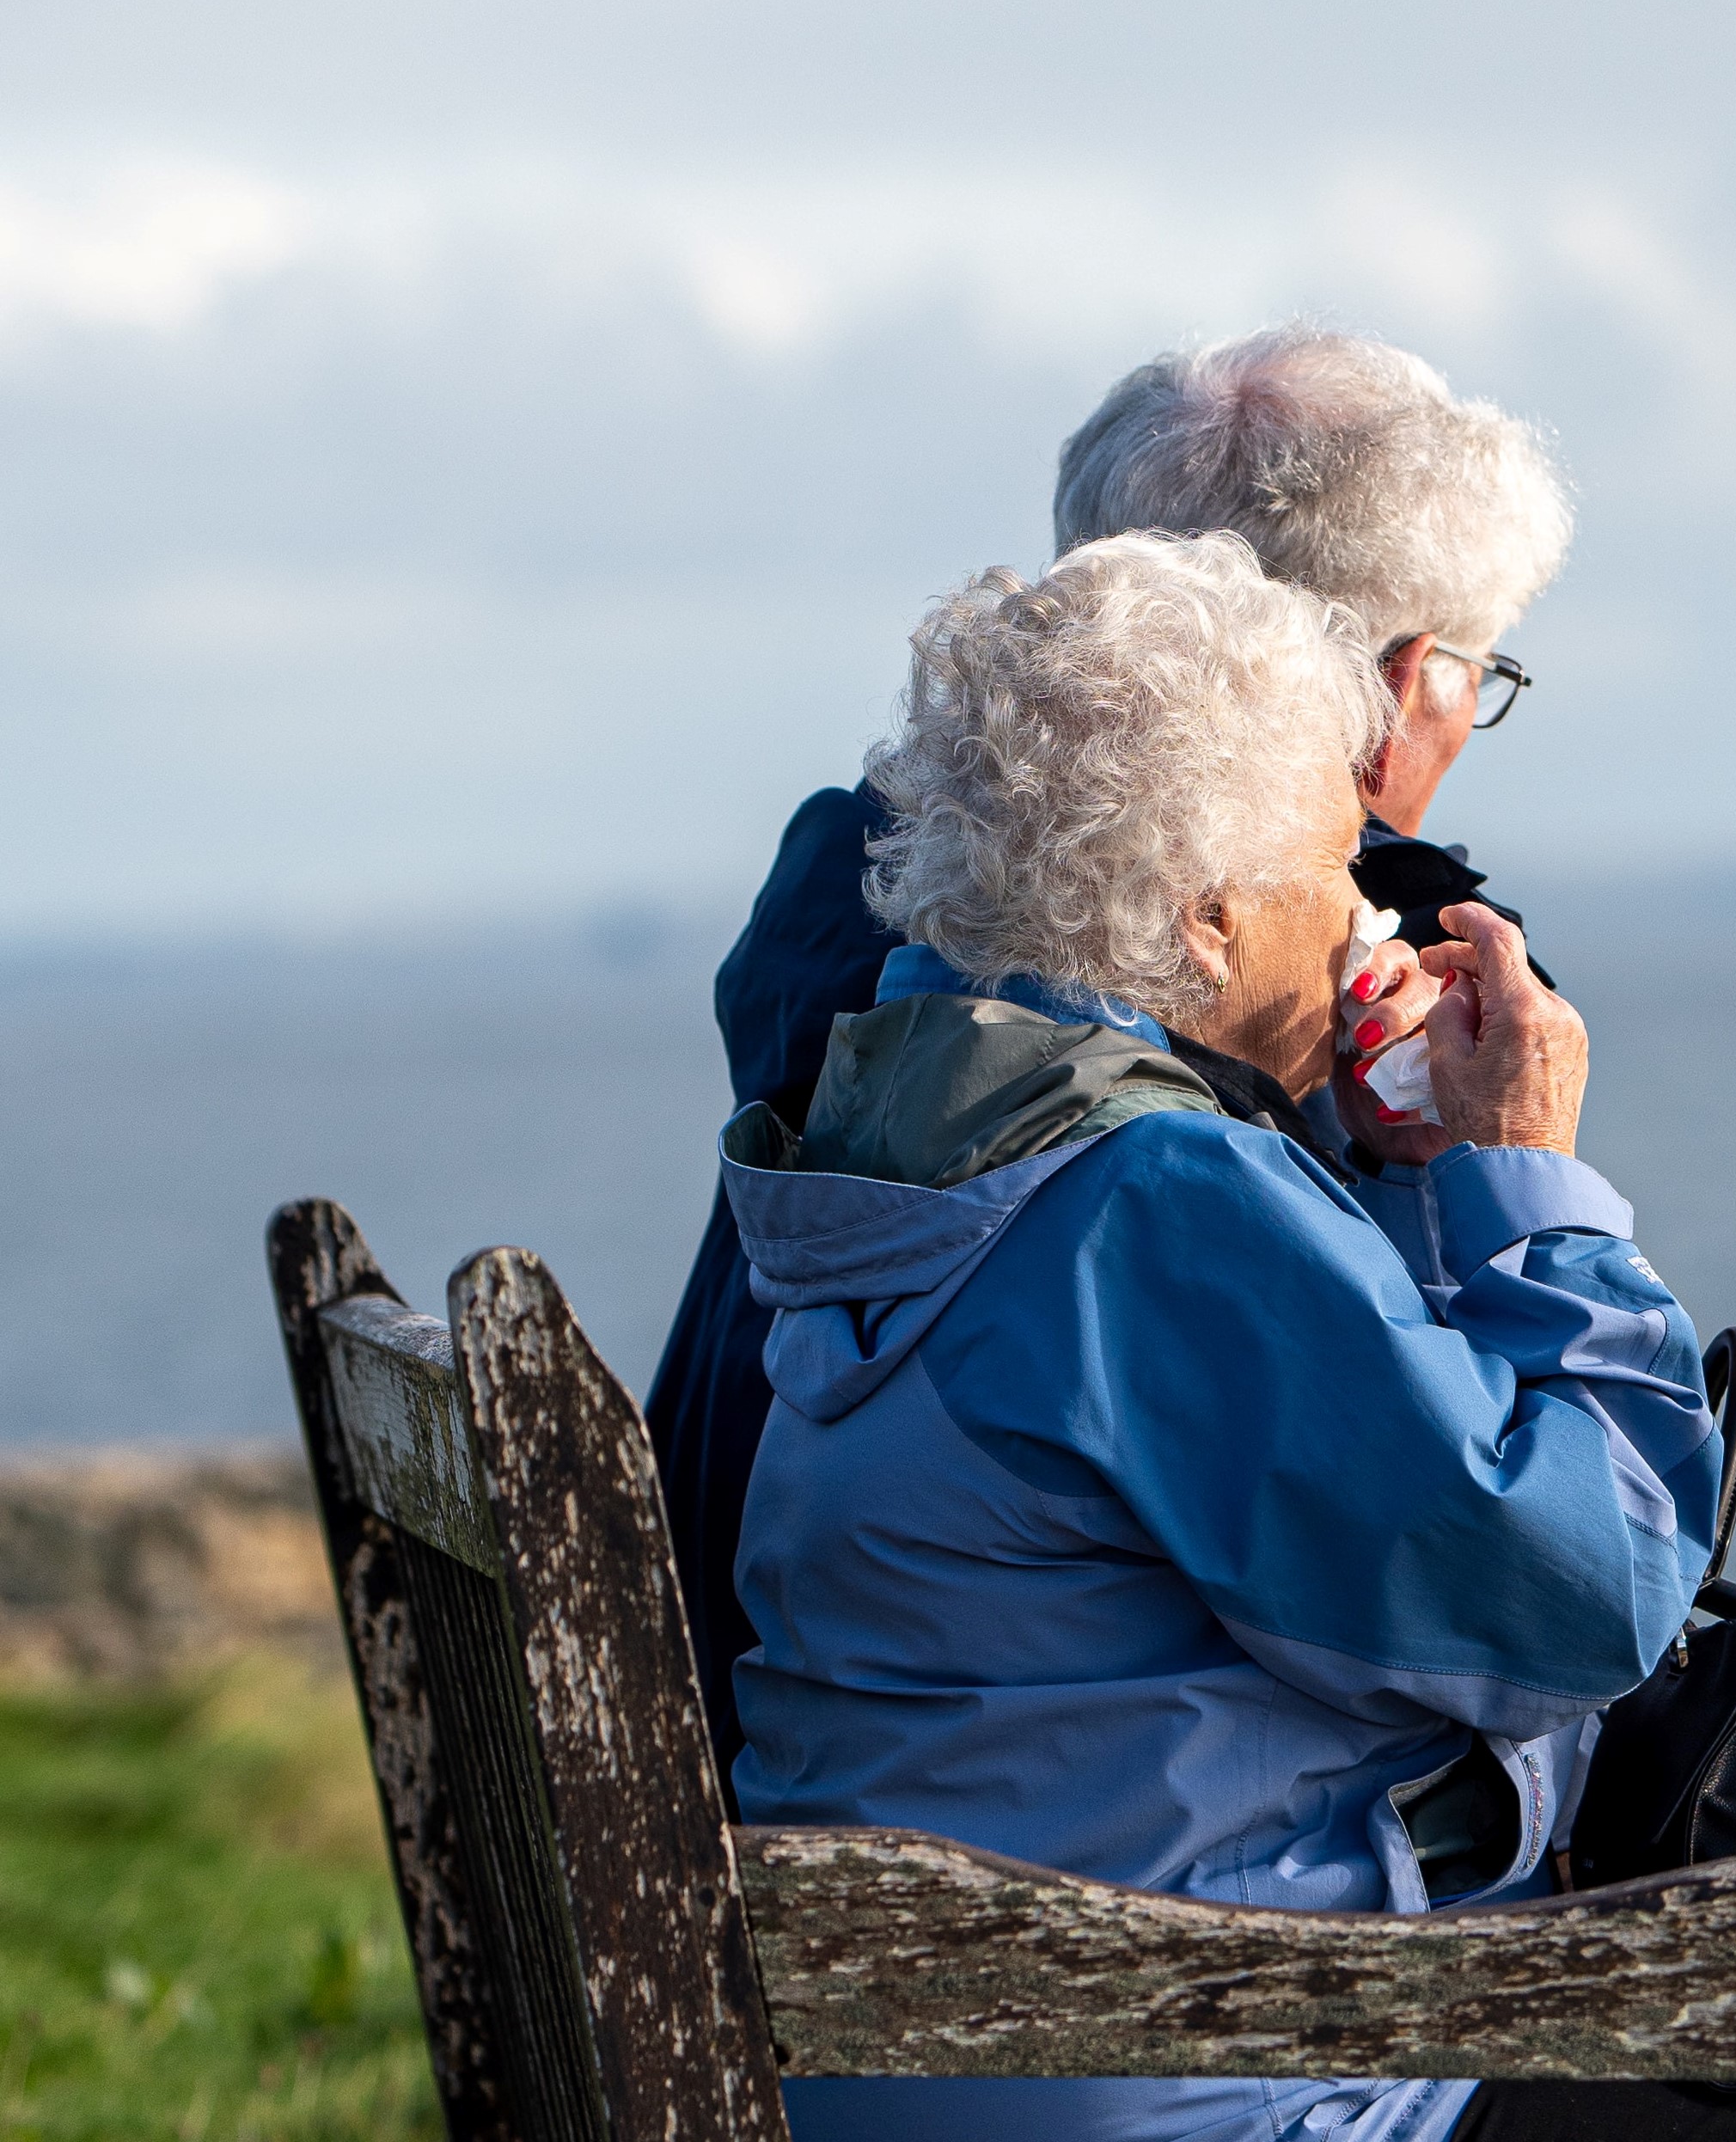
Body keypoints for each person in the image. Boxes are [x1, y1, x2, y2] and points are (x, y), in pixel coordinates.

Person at [721, 531, 1736, 2142]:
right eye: (1326, 865)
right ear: (1207, 918)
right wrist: (1524, 1175)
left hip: (912, 2115)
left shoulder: (922, 1128)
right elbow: (1575, 1602)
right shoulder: (1151, 1203)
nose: (1361, 917)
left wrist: (1368, 1177)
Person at [648, 325, 1568, 1791]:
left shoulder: (877, 927)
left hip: (748, 1738)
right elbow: (1522, 1588)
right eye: (1478, 666)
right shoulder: (1292, 1012)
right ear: (1391, 685)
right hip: (1066, 1869)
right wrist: (1512, 1176)